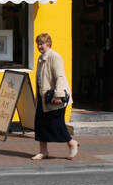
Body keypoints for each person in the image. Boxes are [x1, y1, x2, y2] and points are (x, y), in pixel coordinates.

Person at [32, 32, 78, 160]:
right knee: (40, 124)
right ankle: (43, 151)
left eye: (42, 44)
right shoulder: (41, 58)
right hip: (44, 98)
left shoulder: (54, 57)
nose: (39, 46)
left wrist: (58, 95)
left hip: (54, 99)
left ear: (48, 44)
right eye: (38, 44)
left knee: (57, 124)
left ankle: (72, 143)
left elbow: (60, 77)